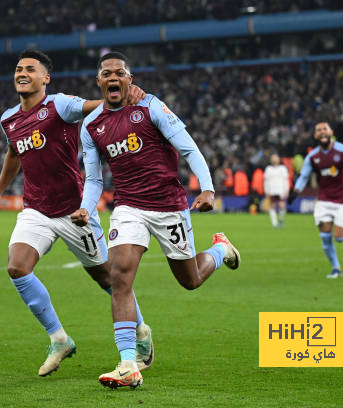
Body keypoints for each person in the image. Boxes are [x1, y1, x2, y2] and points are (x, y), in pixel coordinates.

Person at [70, 52, 241, 389]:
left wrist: (207, 188)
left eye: (120, 72)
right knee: (119, 277)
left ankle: (221, 250)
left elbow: (189, 149)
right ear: (99, 82)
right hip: (128, 207)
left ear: (129, 79)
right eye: (107, 73)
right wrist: (87, 207)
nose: (113, 77)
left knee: (190, 279)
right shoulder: (91, 126)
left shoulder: (150, 107)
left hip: (168, 206)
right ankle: (128, 363)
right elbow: (94, 180)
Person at [0, 50, 153, 377]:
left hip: (74, 211)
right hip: (36, 210)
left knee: (108, 278)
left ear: (45, 78)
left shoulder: (59, 105)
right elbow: (14, 154)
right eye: (19, 68)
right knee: (17, 267)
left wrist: (127, 97)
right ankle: (59, 338)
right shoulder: (8, 119)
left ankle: (141, 329)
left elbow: (94, 106)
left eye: (31, 69)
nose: (22, 73)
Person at [288, 122, 343, 279]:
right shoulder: (313, 157)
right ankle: (336, 267)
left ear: (331, 132)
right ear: (315, 135)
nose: (322, 132)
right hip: (324, 199)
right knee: (324, 234)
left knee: (339, 237)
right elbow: (304, 176)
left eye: (325, 129)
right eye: (318, 130)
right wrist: (295, 192)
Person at [264, 153, 289, 228]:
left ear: (279, 159)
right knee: (272, 206)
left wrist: (286, 190)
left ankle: (281, 220)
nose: (274, 159)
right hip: (272, 190)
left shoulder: (283, 168)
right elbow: (266, 181)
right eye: (273, 158)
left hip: (281, 190)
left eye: (275, 158)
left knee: (282, 205)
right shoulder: (268, 169)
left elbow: (286, 180)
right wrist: (266, 190)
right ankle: (274, 223)